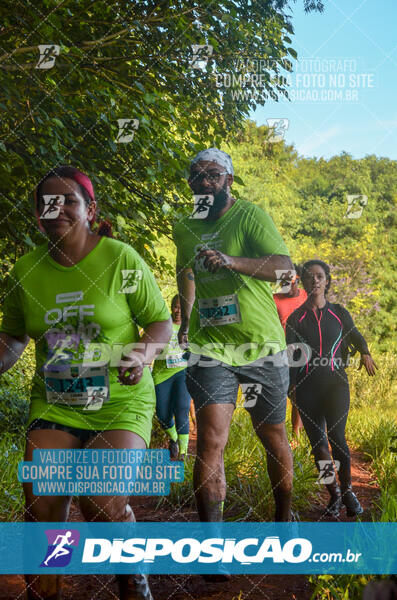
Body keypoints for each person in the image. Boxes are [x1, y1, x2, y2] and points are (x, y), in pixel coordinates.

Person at [0, 166, 172, 600]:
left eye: (67, 201)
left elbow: (158, 322)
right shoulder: (24, 271)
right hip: (56, 403)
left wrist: (144, 351)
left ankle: (130, 569)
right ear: (37, 214)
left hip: (120, 400)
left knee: (99, 501)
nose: (55, 209)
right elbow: (14, 337)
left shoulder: (120, 258)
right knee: (42, 509)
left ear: (91, 210)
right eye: (46, 203)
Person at [172, 148, 295, 527]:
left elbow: (285, 271)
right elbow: (185, 271)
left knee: (272, 434)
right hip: (211, 346)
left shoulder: (250, 216)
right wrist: (186, 320)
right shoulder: (184, 225)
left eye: (213, 174)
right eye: (197, 175)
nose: (204, 181)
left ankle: (283, 518)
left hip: (261, 344)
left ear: (229, 180)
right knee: (210, 439)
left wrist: (232, 261)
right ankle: (213, 542)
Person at [286, 259, 377, 518]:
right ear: (303, 282)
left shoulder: (339, 312)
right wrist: (290, 388)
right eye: (309, 277)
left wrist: (365, 352)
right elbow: (291, 356)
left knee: (337, 438)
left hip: (336, 385)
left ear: (326, 281)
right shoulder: (295, 318)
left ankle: (348, 490)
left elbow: (356, 334)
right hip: (306, 389)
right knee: (319, 446)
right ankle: (334, 495)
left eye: (319, 276)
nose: (314, 280)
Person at [152, 295, 191, 460]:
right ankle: (174, 438)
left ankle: (183, 453)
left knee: (182, 408)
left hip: (182, 372)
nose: (178, 311)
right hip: (162, 375)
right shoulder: (163, 324)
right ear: (171, 307)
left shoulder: (190, 326)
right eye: (176, 307)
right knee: (162, 414)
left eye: (182, 307)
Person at [273, 264, 307, 439]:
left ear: (297, 279)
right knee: (287, 392)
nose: (286, 284)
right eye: (282, 282)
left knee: (300, 394)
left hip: (306, 351)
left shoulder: (307, 296)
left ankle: (296, 434)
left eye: (289, 281)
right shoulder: (274, 299)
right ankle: (282, 432)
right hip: (282, 351)